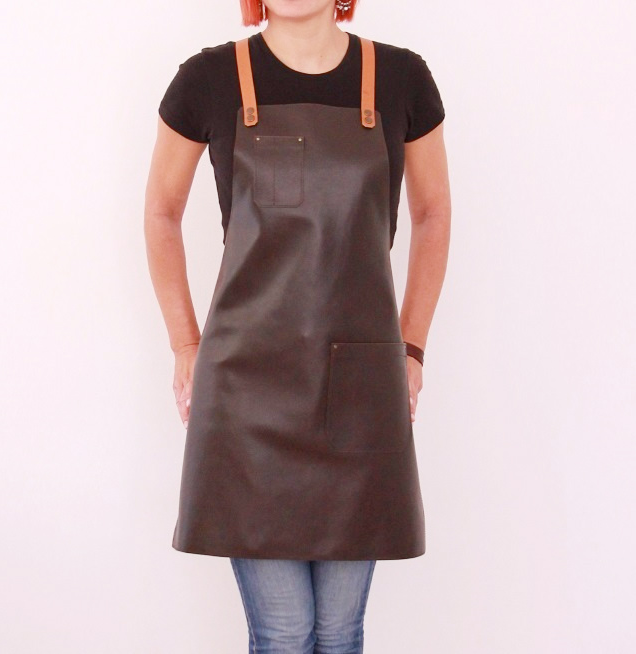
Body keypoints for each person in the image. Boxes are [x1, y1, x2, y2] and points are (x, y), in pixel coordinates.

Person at [144, 0, 450, 650]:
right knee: (283, 633)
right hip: (247, 392)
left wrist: (412, 346)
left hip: (359, 392)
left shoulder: (401, 80)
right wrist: (185, 344)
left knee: (338, 633)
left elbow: (433, 214)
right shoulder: (208, 79)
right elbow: (161, 211)